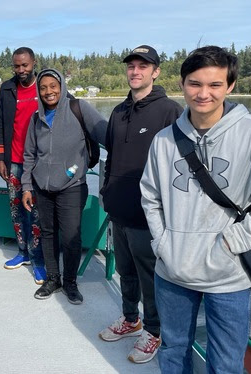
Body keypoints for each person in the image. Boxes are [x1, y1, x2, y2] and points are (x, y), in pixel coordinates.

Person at [140, 46, 251, 372]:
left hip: (228, 274)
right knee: (173, 350)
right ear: (181, 83)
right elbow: (150, 196)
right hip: (173, 271)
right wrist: (162, 243)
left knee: (225, 363)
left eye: (215, 85)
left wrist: (232, 242)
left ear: (230, 86)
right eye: (195, 84)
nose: (203, 94)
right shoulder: (164, 141)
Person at [98, 45, 183, 364]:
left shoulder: (169, 111)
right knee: (125, 272)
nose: (135, 71)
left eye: (143, 66)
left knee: (151, 277)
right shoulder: (119, 111)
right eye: (131, 66)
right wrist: (106, 191)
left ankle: (155, 331)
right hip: (118, 210)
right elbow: (111, 157)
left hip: (149, 217)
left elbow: (180, 165)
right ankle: (130, 320)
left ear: (156, 71)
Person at [21, 68, 107, 304]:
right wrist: (27, 186)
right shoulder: (35, 118)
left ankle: (70, 282)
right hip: (42, 187)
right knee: (48, 233)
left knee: (71, 236)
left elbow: (107, 134)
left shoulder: (78, 108)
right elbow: (29, 154)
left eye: (53, 86)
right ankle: (53, 278)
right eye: (43, 87)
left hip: (72, 185)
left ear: (62, 86)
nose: (49, 91)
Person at [0, 47, 46, 284]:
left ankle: (39, 260)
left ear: (34, 63)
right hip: (14, 161)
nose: (21, 70)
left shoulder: (44, 87)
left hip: (39, 161)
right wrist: (0, 158)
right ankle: (23, 252)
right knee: (17, 210)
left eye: (25, 65)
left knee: (37, 212)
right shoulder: (6, 89)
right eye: (17, 66)